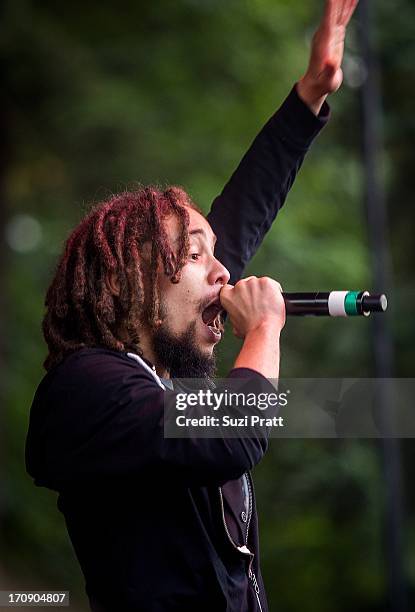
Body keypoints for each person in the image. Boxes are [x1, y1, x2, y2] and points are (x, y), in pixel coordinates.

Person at [25, 1, 358, 610]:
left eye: (215, 253)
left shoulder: (161, 368)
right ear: (139, 285)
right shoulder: (88, 388)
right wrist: (263, 332)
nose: (224, 270)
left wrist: (309, 95)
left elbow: (242, 212)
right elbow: (235, 436)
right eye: (197, 254)